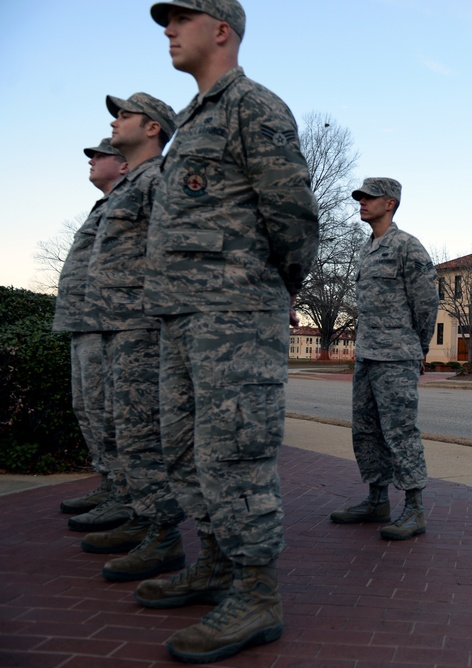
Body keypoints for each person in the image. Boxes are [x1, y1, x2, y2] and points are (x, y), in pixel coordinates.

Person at [135, 1, 319, 663]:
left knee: (236, 453)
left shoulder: (253, 106)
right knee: (186, 452)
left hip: (234, 315)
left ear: (221, 31)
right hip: (181, 314)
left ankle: (256, 592)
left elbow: (293, 214)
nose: (168, 30)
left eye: (180, 18)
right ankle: (214, 563)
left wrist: (274, 287)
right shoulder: (191, 120)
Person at [79, 93, 188, 584]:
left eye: (124, 115)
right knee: (124, 428)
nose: (114, 122)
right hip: (114, 325)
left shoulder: (160, 179)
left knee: (141, 432)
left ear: (152, 128)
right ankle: (143, 520)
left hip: (142, 327)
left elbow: (177, 249)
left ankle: (163, 535)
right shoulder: (132, 184)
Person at [328, 177, 439, 542]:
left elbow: (427, 304)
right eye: (360, 197)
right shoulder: (366, 249)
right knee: (366, 430)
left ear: (390, 203)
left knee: (400, 432)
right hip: (367, 355)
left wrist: (418, 348)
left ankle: (414, 509)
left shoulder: (407, 246)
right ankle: (377, 500)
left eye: (369, 197)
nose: (362, 202)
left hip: (396, 357)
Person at [54, 138, 128, 519]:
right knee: (85, 407)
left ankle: (124, 494)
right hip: (81, 322)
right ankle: (108, 482)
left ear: (124, 165)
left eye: (100, 155)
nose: (92, 160)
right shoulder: (103, 206)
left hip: (104, 323)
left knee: (106, 410)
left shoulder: (128, 202)